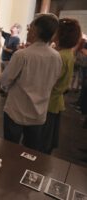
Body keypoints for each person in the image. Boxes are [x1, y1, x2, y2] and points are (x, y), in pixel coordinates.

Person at [0, 13, 62, 151]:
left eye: (30, 27)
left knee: (10, 150)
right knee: (31, 153)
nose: (28, 30)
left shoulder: (22, 55)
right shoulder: (56, 57)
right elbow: (54, 80)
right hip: (39, 113)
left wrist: (10, 86)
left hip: (16, 111)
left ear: (36, 30)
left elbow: (4, 80)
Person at [40, 18, 82, 154]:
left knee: (42, 143)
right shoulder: (68, 53)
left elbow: (49, 81)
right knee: (47, 141)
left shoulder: (59, 56)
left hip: (49, 103)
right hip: (56, 102)